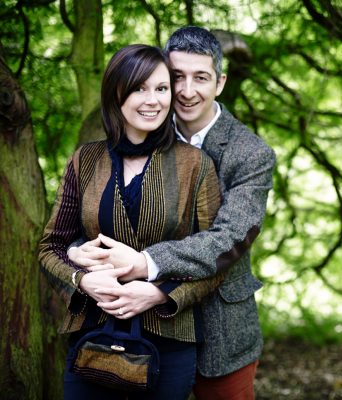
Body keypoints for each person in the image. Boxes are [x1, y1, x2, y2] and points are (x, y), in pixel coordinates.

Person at [69, 27, 276, 399]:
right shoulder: (140, 126)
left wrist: (148, 267)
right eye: (176, 77)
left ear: (221, 82)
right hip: (143, 326)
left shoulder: (251, 153)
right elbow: (103, 212)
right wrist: (76, 250)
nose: (186, 90)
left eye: (201, 77)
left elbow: (230, 237)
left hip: (220, 326)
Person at [38, 44, 224, 400]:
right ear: (116, 93)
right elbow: (51, 247)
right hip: (92, 337)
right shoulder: (86, 159)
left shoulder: (195, 164)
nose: (152, 99)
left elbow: (215, 257)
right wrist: (82, 280)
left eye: (161, 88)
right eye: (139, 88)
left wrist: (159, 294)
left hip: (169, 342)